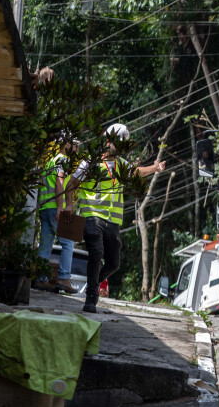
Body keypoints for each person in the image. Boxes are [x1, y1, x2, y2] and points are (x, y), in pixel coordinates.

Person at [67, 123, 165, 313]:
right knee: (96, 253)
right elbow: (72, 183)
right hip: (92, 215)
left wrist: (155, 168)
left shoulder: (120, 164)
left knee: (114, 263)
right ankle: (90, 299)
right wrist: (69, 204)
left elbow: (137, 172)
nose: (119, 147)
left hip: (112, 221)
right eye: (117, 143)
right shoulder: (90, 162)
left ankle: (93, 283)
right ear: (107, 141)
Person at [33, 134, 77, 293]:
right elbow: (60, 182)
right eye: (75, 145)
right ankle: (64, 278)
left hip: (45, 208)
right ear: (67, 144)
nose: (76, 148)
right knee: (68, 242)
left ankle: (41, 279)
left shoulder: (50, 161)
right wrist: (60, 207)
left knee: (45, 245)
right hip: (55, 207)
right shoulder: (63, 160)